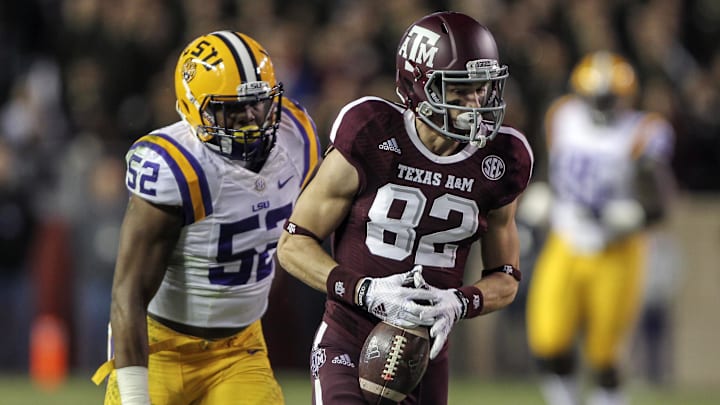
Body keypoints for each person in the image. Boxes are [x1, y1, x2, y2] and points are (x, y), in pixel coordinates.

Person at [277, 11, 533, 405]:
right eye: (459, 90)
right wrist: (366, 291)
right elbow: (293, 245)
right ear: (418, 86)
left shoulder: (503, 160)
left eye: (482, 88)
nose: (477, 104)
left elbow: (506, 277)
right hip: (350, 334)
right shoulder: (371, 132)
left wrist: (460, 301)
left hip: (427, 353)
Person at [90, 30, 322, 405]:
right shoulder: (177, 167)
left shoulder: (298, 137)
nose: (249, 118)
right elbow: (128, 292)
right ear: (193, 108)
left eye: (257, 103)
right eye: (231, 108)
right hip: (159, 348)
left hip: (237, 349)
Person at [523, 51, 676, 405]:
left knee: (605, 353)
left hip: (618, 249)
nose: (603, 104)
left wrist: (637, 214)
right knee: (548, 337)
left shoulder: (643, 130)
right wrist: (542, 192)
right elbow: (551, 167)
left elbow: (660, 202)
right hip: (566, 239)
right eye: (596, 96)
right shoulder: (562, 116)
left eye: (610, 97)